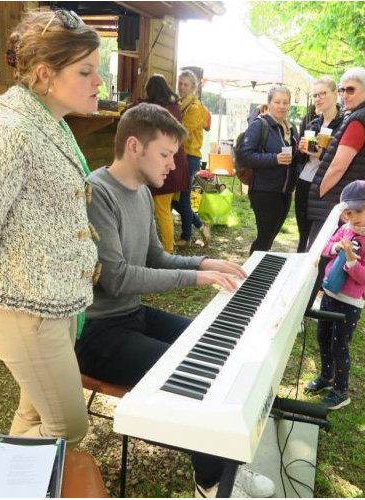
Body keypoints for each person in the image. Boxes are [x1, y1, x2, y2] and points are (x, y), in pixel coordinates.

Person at [76, 103, 276, 498]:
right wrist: (198, 277)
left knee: (220, 349)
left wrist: (206, 260)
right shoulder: (97, 192)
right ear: (134, 146)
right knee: (198, 380)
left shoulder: (142, 194)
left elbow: (156, 257)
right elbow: (116, 278)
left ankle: (224, 465)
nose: (173, 165)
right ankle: (212, 482)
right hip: (97, 333)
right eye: (166, 154)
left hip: (131, 315)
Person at [0, 9, 102, 447]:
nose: (99, 82)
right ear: (45, 74)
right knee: (68, 427)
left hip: (56, 303)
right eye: (86, 71)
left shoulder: (48, 123)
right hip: (26, 312)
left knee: (34, 412)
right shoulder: (9, 132)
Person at [303, 180, 365, 409]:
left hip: (349, 303)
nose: (354, 218)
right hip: (330, 293)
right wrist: (336, 248)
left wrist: (351, 260)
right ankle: (326, 376)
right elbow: (323, 247)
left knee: (339, 345)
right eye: (349, 213)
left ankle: (341, 390)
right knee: (323, 338)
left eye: (359, 211)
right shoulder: (347, 229)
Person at [307, 67, 365, 248]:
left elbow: (338, 166)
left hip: (336, 203)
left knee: (318, 259)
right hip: (349, 200)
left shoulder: (358, 119)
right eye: (342, 90)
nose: (345, 95)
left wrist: (320, 192)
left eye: (350, 89)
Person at [238, 85, 300, 254]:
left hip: (285, 191)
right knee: (265, 236)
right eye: (277, 102)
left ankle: (256, 270)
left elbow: (295, 157)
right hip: (264, 190)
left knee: (270, 236)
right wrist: (275, 159)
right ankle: (251, 273)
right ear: (269, 103)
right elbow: (246, 155)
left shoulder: (292, 128)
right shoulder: (260, 125)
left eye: (285, 102)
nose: (281, 106)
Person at [131, 74, 189, 252]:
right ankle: (163, 248)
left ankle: (168, 250)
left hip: (165, 164)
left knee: (163, 211)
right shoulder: (174, 107)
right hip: (176, 164)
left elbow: (134, 111)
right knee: (164, 209)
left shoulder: (157, 109)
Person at [295, 77, 344, 252]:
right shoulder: (312, 123)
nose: (318, 98)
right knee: (303, 232)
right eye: (315, 95)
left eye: (323, 93)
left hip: (327, 184)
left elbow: (343, 160)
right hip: (305, 180)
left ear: (336, 94)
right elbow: (300, 159)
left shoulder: (344, 124)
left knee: (321, 236)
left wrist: (321, 154)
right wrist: (300, 150)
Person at [176, 69, 211, 247]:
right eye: (180, 84)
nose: (182, 87)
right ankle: (199, 225)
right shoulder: (182, 104)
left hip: (190, 156)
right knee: (176, 198)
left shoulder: (195, 108)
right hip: (181, 155)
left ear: (193, 88)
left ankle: (187, 236)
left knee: (183, 197)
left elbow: (181, 131)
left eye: (186, 85)